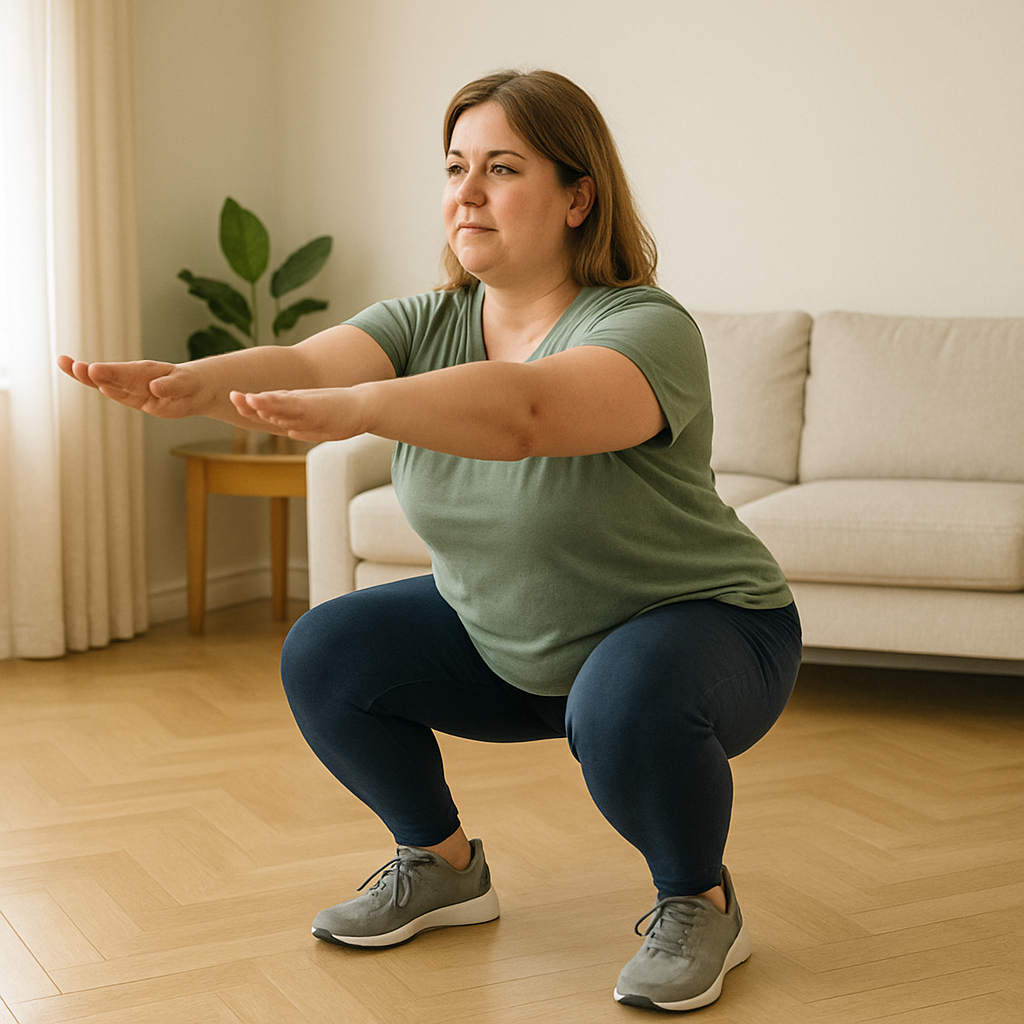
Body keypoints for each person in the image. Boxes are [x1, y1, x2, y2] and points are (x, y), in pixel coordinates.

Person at [60, 69, 802, 1012]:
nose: (468, 191)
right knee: (327, 650)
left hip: (703, 628)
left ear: (580, 197)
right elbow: (302, 363)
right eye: (456, 166)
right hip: (511, 637)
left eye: (502, 167)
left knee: (625, 704)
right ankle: (442, 863)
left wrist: (363, 405)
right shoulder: (427, 321)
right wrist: (190, 381)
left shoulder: (646, 327)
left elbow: (526, 414)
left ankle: (698, 901)